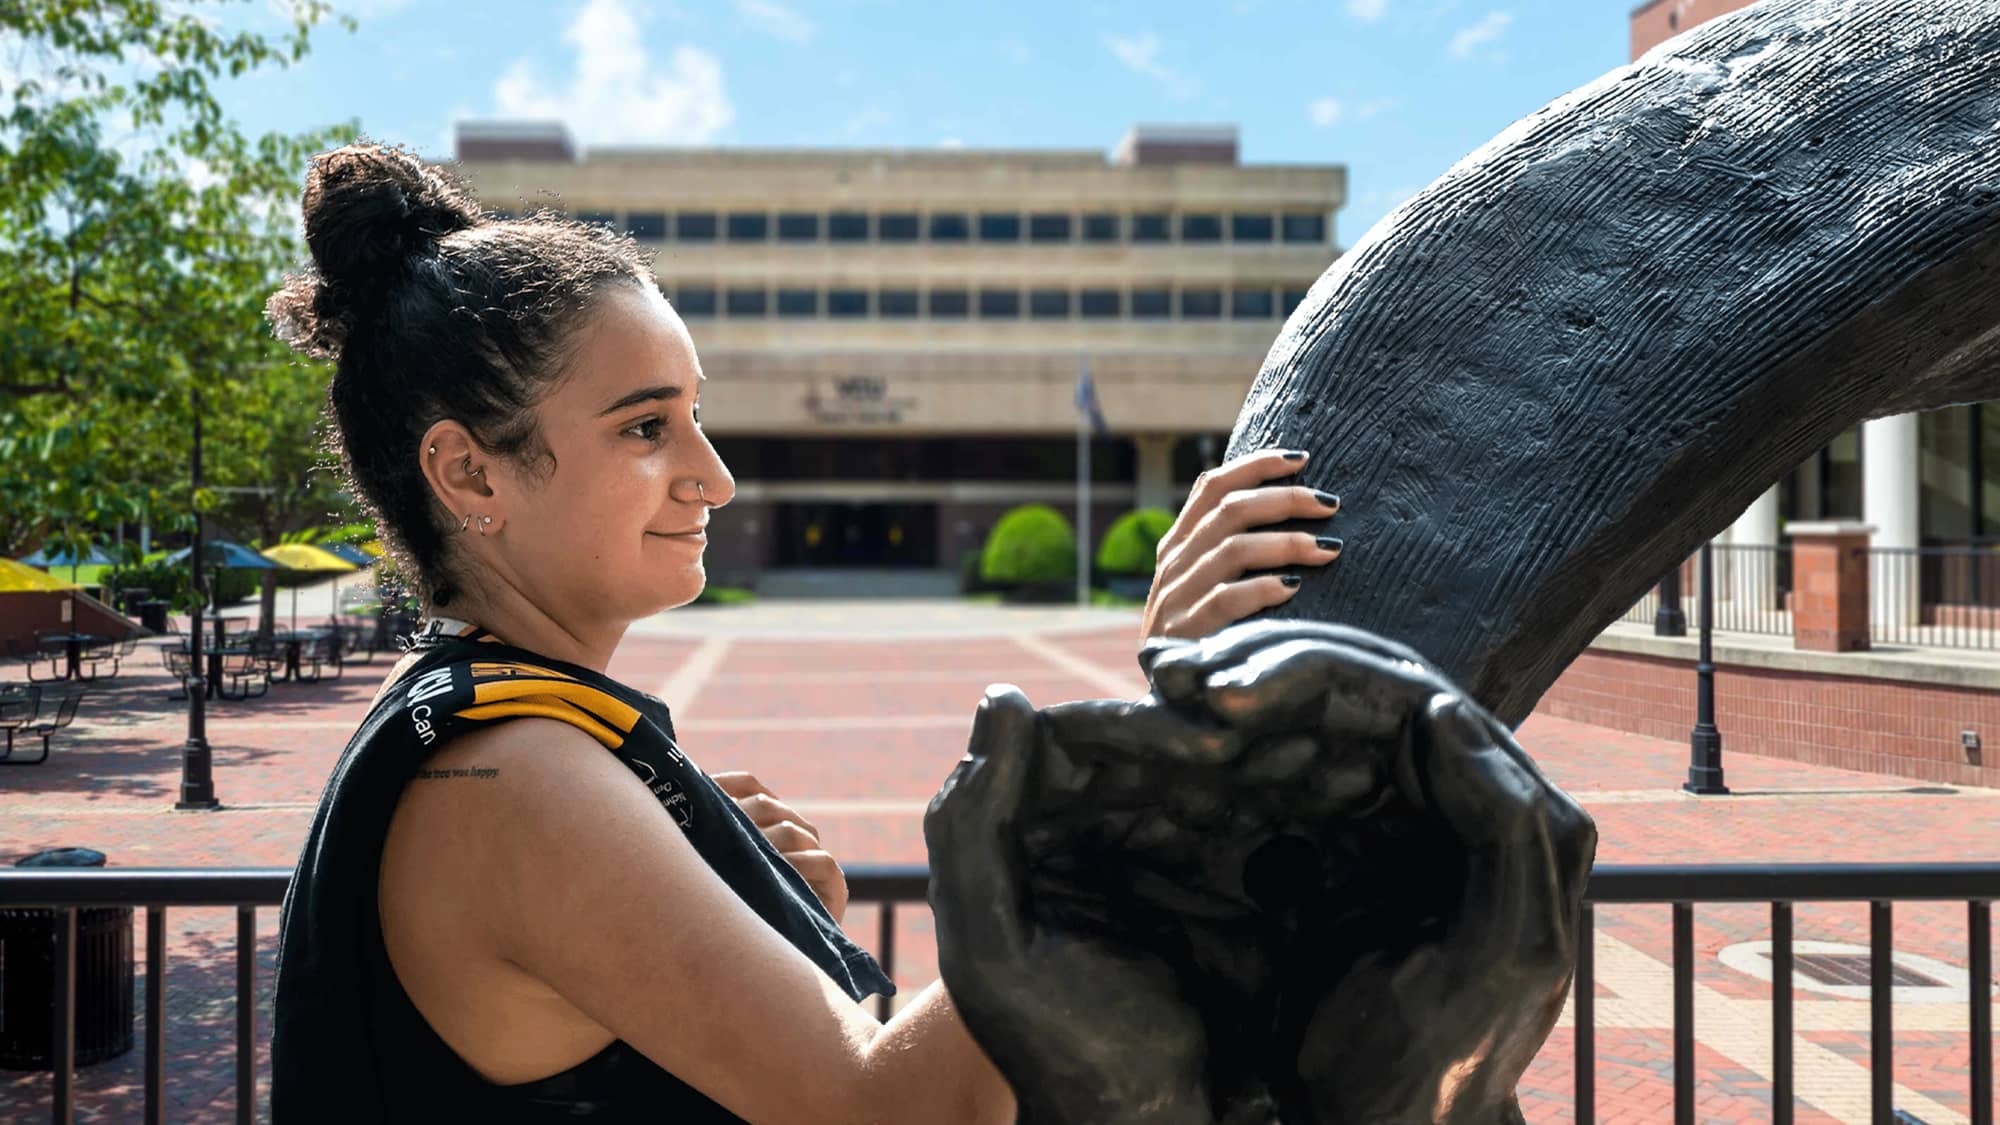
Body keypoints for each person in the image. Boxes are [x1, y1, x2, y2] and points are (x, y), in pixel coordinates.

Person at [265, 141, 1347, 1124]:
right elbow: (884, 1112)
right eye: (645, 426)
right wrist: (1160, 752)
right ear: (467, 471)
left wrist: (761, 931)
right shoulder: (521, 780)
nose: (714, 476)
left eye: (696, 414)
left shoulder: (491, 734)